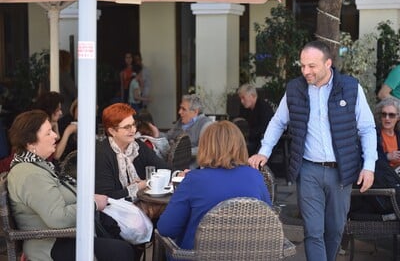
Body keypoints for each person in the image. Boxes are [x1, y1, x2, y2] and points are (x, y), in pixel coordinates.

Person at [248, 40, 377, 261]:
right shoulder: (295, 89)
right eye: (303, 66)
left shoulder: (351, 87)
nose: (306, 71)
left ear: (328, 63)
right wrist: (264, 151)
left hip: (341, 171)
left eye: (312, 66)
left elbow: (367, 128)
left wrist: (369, 166)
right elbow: (278, 122)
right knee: (313, 231)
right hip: (308, 170)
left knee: (336, 228)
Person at [7, 110, 136, 261]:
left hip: (63, 237)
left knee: (123, 238)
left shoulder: (36, 166)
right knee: (122, 251)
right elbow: (58, 218)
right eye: (48, 133)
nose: (56, 135)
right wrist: (92, 203)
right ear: (30, 143)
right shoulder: (30, 174)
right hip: (51, 245)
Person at [157, 120, 271, 255]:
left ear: (205, 147)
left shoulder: (194, 180)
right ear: (240, 145)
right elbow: (268, 221)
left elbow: (166, 229)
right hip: (247, 256)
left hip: (196, 256)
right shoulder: (255, 177)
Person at [94, 103, 170, 236]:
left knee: (170, 213)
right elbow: (106, 197)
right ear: (112, 131)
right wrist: (138, 187)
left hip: (136, 207)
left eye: (134, 124)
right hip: (112, 214)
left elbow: (163, 168)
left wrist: (177, 173)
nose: (133, 130)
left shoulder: (137, 146)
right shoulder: (102, 154)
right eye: (127, 127)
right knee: (163, 215)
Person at [33, 91, 77, 161]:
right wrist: (68, 131)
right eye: (58, 110)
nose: (61, 113)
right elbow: (56, 155)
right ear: (50, 111)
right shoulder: (39, 128)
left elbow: (57, 139)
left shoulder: (54, 124)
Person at [237, 84, 274, 155]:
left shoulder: (264, 107)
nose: (242, 101)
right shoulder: (244, 108)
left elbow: (266, 128)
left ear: (252, 96)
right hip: (249, 139)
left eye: (243, 98)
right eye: (240, 99)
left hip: (262, 141)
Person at [375, 97, 400, 169]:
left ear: (398, 117)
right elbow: (369, 157)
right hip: (384, 174)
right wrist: (387, 156)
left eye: (391, 115)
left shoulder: (398, 134)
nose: (387, 118)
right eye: (384, 114)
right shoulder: (375, 135)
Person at [59, 50, 77, 116]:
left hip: (50, 112)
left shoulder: (47, 76)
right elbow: (76, 93)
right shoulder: (64, 75)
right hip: (64, 112)